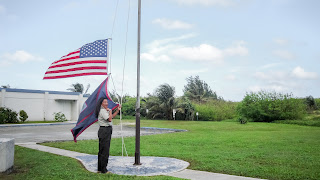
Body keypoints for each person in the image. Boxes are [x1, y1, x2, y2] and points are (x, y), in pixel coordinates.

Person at [95, 97, 121, 174]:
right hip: (105, 130)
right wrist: (110, 111)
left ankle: (100, 168)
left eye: (107, 102)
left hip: (104, 130)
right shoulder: (103, 111)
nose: (106, 103)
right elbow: (109, 119)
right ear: (101, 103)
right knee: (105, 150)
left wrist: (117, 110)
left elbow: (111, 116)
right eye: (105, 102)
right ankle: (104, 170)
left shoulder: (104, 110)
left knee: (102, 150)